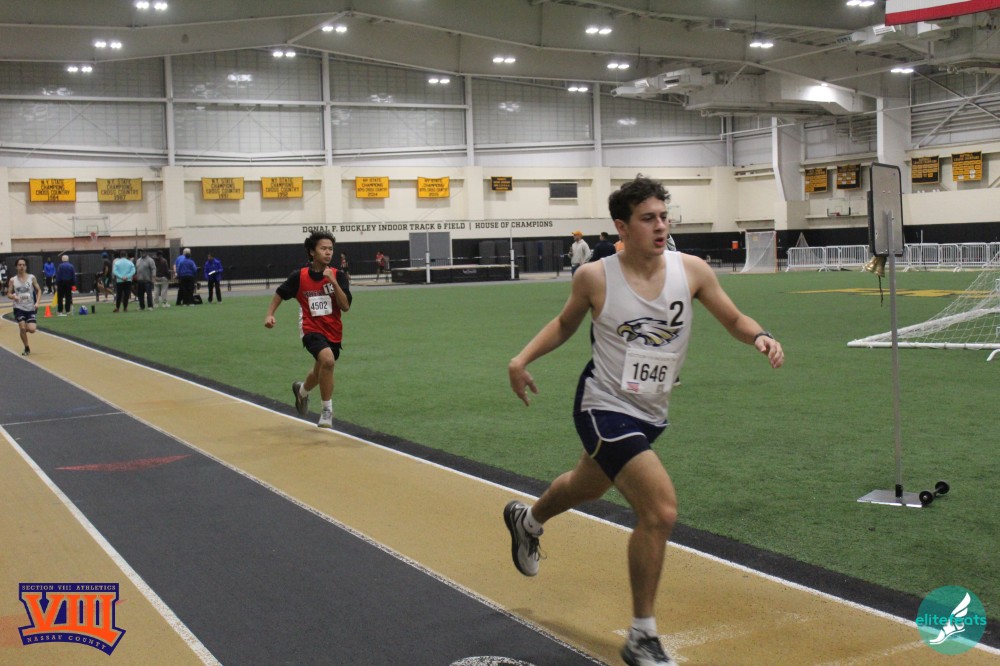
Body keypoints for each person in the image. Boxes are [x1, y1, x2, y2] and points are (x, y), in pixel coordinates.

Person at [503, 175, 784, 666]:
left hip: (653, 410)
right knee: (660, 510)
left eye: (664, 217)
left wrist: (761, 335)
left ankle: (528, 520)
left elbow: (734, 319)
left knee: (587, 485)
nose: (660, 226)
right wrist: (520, 359)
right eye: (648, 218)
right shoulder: (595, 277)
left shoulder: (691, 270)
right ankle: (641, 636)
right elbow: (565, 324)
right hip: (604, 405)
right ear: (622, 227)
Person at [264, 231, 352, 429]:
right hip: (310, 327)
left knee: (320, 368)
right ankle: (327, 411)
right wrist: (270, 314)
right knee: (328, 360)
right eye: (323, 248)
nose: (328, 252)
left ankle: (302, 391)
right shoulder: (300, 276)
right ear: (312, 252)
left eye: (331, 249)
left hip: (333, 330)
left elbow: (345, 306)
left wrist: (333, 282)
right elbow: (280, 293)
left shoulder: (338, 275)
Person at [7, 257, 42, 356]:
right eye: (19, 265)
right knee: (22, 327)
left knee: (32, 329)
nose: (21, 267)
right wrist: (13, 296)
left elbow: (39, 290)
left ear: (26, 267)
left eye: (23, 265)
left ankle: (23, 330)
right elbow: (8, 293)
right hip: (19, 307)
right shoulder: (13, 280)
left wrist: (37, 302)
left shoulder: (32, 278)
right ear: (16, 267)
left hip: (30, 307)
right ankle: (26, 347)